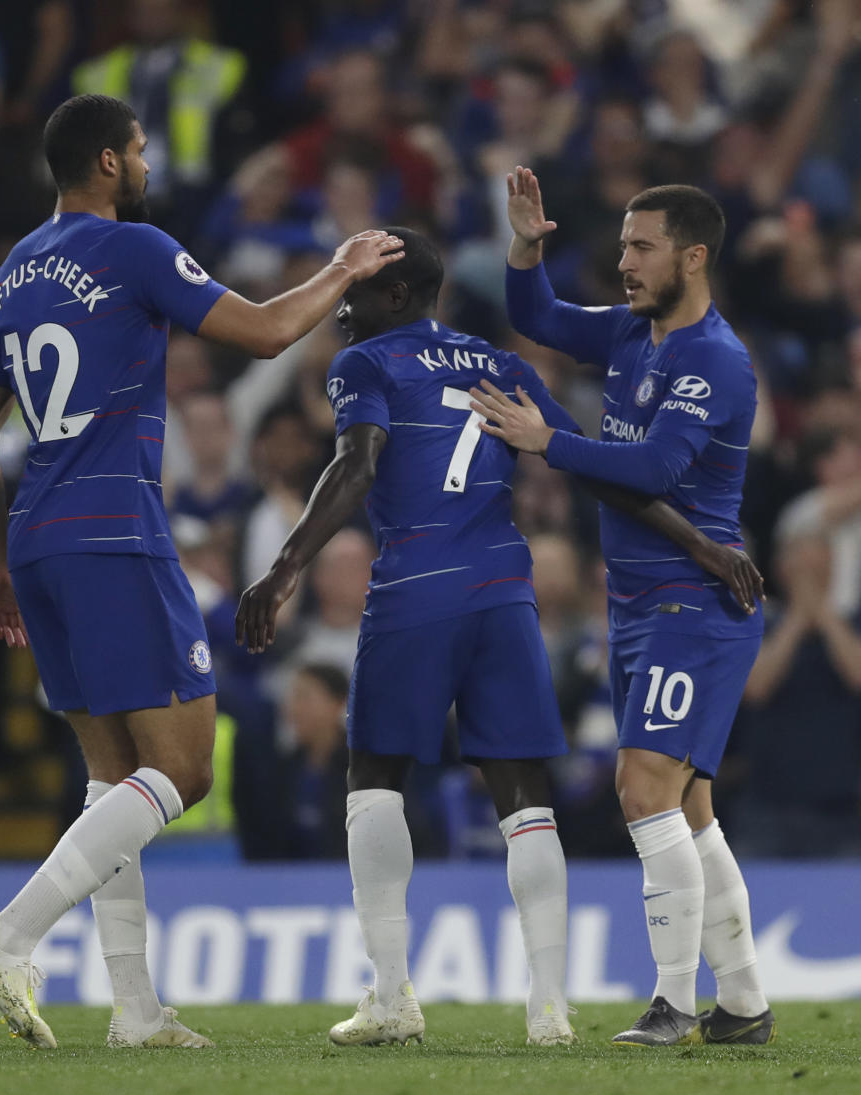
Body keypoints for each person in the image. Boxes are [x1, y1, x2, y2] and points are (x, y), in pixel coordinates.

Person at [0, 92, 404, 1050]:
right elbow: (270, 330)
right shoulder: (134, 250)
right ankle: (11, 935)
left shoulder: (10, 274)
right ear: (110, 163)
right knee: (184, 770)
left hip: (34, 535)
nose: (148, 162)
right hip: (115, 528)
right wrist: (343, 267)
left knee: (111, 774)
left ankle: (135, 1010)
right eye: (141, 149)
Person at [235, 226, 762, 1048]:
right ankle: (550, 1010)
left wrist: (284, 568)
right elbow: (588, 465)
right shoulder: (500, 364)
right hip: (505, 594)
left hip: (413, 589)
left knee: (374, 775)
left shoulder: (364, 365)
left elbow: (358, 464)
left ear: (398, 294)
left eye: (356, 291)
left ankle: (391, 997)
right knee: (524, 794)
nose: (340, 309)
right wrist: (700, 541)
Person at [469, 168, 775, 1046]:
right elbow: (541, 318)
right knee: (687, 809)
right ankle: (744, 1004)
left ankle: (674, 1004)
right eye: (622, 246)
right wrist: (527, 248)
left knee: (642, 790)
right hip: (642, 603)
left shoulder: (711, 358)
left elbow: (653, 472)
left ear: (693, 255)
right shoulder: (634, 336)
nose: (626, 262)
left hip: (694, 602)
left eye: (642, 248)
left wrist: (547, 440)